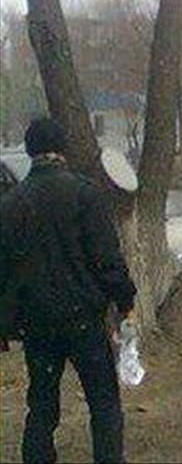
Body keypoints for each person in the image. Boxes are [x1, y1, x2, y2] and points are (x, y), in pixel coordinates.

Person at [0, 117, 137, 464]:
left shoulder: (11, 203)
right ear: (62, 148)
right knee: (103, 401)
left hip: (37, 323)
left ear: (30, 150)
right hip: (83, 320)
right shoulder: (84, 194)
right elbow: (107, 258)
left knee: (41, 403)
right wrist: (125, 300)